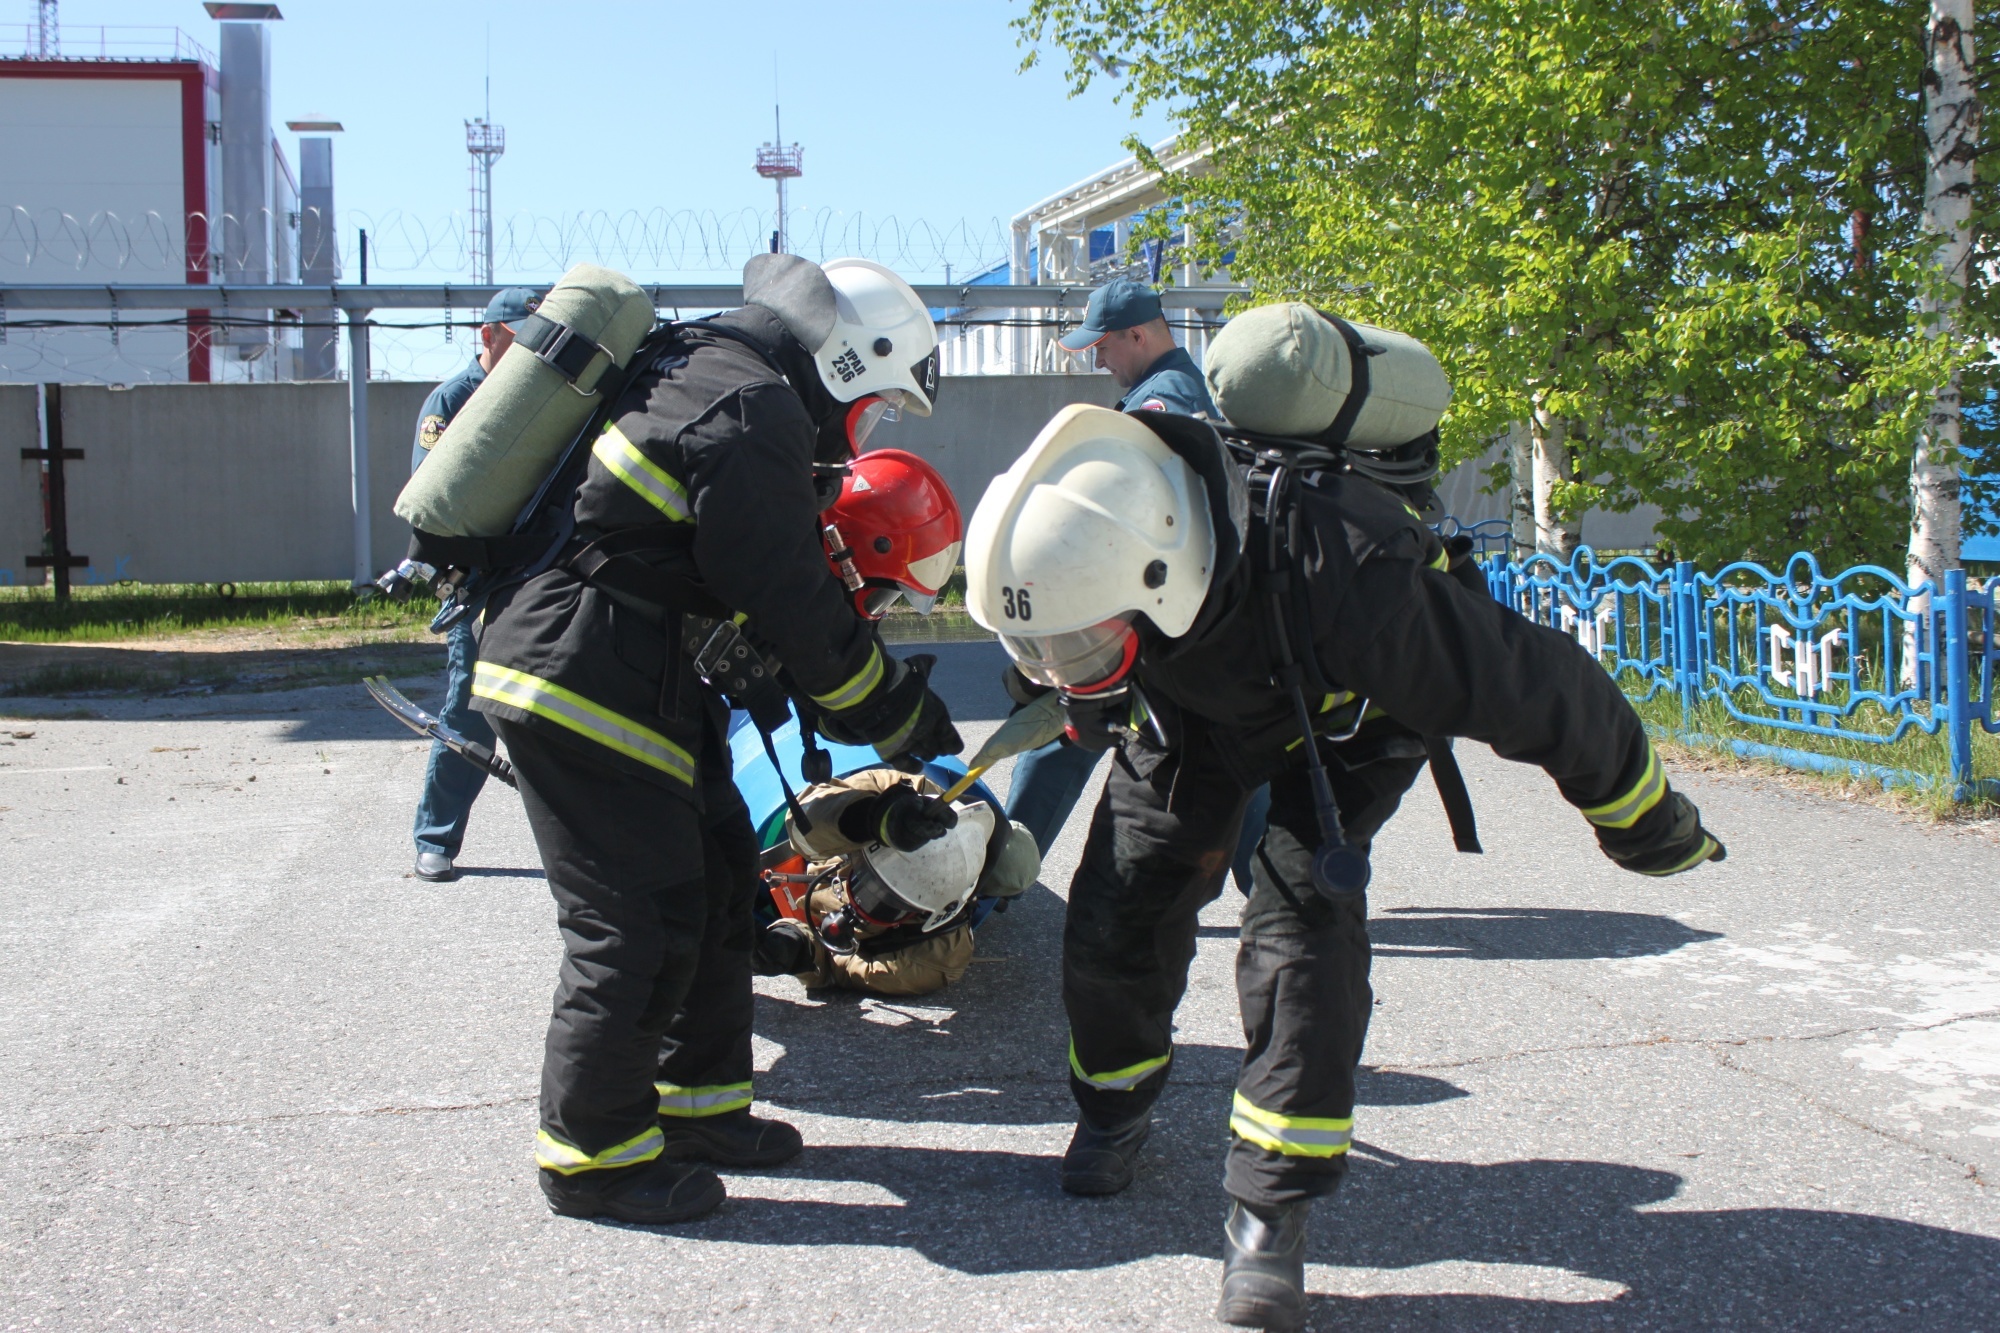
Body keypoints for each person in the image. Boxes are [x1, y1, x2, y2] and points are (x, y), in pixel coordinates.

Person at [963, 349, 1724, 1328]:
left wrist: (1645, 822)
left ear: (1161, 576)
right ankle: (1114, 1107)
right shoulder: (1098, 553)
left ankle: (1266, 1220)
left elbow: (1545, 686)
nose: (1057, 669)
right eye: (1038, 646)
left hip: (1341, 730)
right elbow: (1057, 648)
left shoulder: (1348, 580)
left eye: (1073, 645)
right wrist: (1055, 667)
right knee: (1117, 910)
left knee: (1296, 936)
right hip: (1194, 720)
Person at [470, 254, 962, 1226]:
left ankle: (701, 1108)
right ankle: (593, 1157)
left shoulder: (705, 371)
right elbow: (787, 599)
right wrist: (900, 718)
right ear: (850, 363)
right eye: (874, 406)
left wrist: (854, 713)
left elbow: (748, 594)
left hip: (630, 675)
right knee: (635, 921)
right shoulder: (753, 409)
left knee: (714, 881)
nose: (862, 431)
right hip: (584, 679)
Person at [1008, 277, 1269, 888]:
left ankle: (990, 889)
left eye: (1103, 345)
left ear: (1137, 333)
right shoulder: (1179, 385)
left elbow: (1135, 503)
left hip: (1146, 609)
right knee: (1223, 747)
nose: (1098, 358)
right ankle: (1282, 891)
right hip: (1190, 610)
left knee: (1061, 737)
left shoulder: (1166, 398)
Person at [407, 287, 541, 883]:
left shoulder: (542, 397)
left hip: (532, 569)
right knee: (469, 705)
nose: (525, 349)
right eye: (516, 337)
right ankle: (435, 838)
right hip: (474, 575)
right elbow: (436, 492)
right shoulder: (455, 399)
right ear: (487, 336)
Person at [751, 764, 1040, 997]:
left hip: (799, 912)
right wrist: (872, 817)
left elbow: (843, 967)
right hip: (789, 856)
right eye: (869, 877)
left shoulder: (939, 957)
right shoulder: (903, 792)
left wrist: (798, 948)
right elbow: (803, 818)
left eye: (888, 902)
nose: (859, 899)